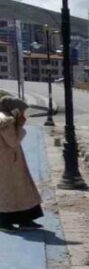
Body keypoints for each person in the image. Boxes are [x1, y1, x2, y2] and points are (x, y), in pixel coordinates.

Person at [0, 96, 45, 231]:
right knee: (9, 191)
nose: (23, 115)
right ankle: (4, 222)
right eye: (21, 111)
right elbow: (13, 141)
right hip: (7, 162)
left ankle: (25, 220)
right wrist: (19, 125)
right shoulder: (5, 120)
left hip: (10, 161)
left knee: (21, 190)